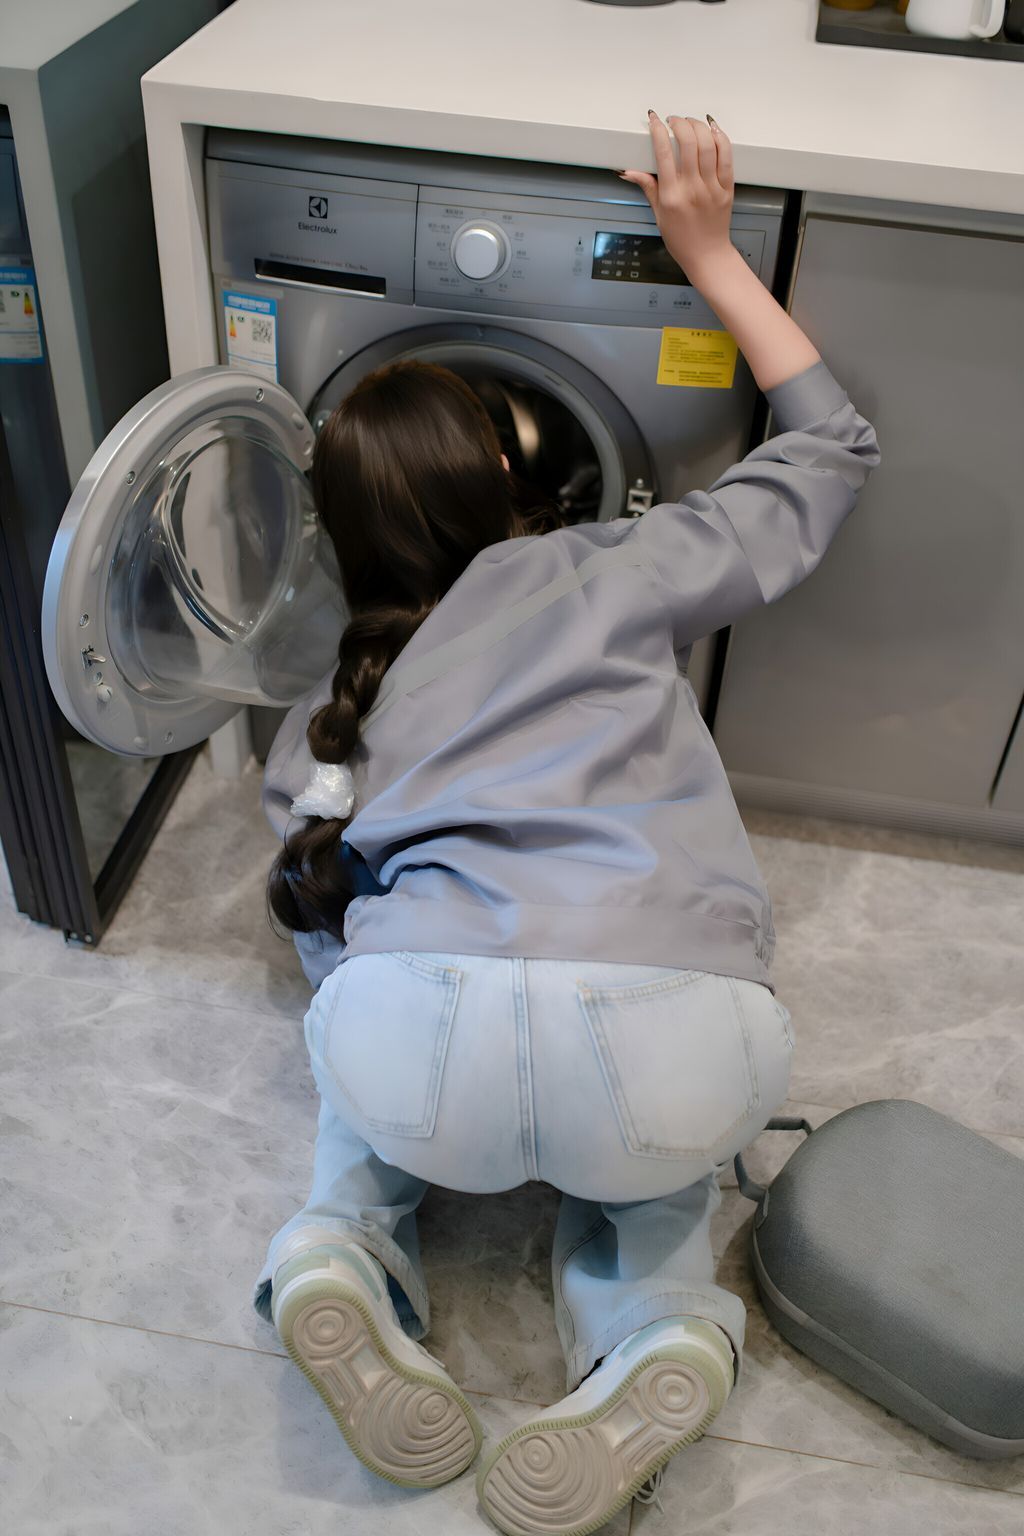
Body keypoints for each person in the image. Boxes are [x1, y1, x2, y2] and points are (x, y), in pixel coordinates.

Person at [253, 112, 880, 1535]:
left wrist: (378, 990)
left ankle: (336, 1250)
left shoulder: (332, 712)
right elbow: (831, 449)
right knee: (653, 1164)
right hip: (669, 1034)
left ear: (338, 533)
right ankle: (658, 1323)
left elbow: (313, 908)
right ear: (509, 478)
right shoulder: (618, 564)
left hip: (421, 1050)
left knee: (367, 1052)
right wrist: (708, 254)